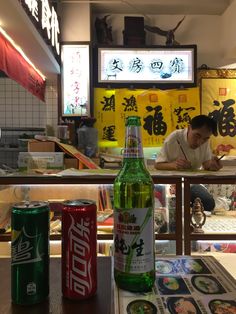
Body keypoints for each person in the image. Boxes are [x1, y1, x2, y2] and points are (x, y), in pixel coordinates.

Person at [154, 115, 223, 212]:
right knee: (175, 204)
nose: (199, 142)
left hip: (191, 184)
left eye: (205, 138)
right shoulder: (174, 138)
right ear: (189, 128)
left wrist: (213, 165)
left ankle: (188, 209)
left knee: (209, 204)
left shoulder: (205, 141)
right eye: (197, 136)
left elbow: (206, 164)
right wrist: (174, 165)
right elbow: (158, 165)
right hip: (171, 183)